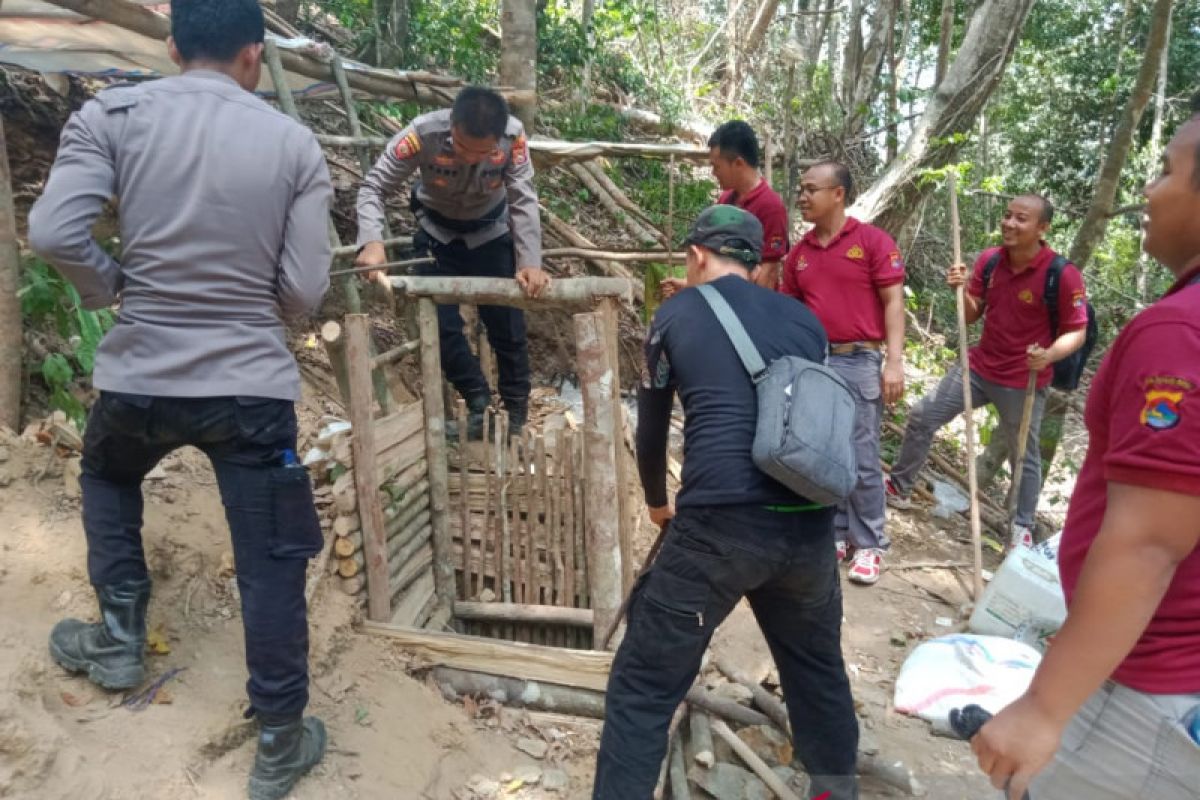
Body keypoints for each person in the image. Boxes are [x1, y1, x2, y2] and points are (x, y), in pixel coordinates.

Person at [27, 2, 331, 798]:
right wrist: (259, 312)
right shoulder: (292, 143)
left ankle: (122, 636)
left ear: (170, 47)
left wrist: (115, 285)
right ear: (254, 58)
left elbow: (55, 233)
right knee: (270, 561)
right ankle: (279, 740)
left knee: (107, 476)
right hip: (249, 389)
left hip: (141, 375)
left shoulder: (113, 114)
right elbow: (304, 288)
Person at [969, 102, 1200, 800]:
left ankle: (1017, 518)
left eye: (1167, 172)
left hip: (1148, 681)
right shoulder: (989, 262)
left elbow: (1148, 542)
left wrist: (1044, 709)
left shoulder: (1178, 333)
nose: (1150, 192)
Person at [593, 205, 859, 800]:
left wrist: (659, 502)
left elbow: (652, 427)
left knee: (642, 688)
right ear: (758, 261)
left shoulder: (674, 312)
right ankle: (835, 794)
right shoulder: (805, 322)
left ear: (695, 257)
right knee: (818, 676)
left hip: (719, 525)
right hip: (807, 529)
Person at [887, 195, 1089, 549]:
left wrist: (1049, 355)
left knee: (1024, 456)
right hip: (979, 367)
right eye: (1007, 216)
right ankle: (899, 487)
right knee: (922, 416)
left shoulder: (1062, 274)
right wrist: (960, 291)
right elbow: (970, 316)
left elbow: (1077, 330)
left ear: (1042, 228)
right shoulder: (991, 260)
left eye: (1021, 219)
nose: (1009, 223)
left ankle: (1021, 527)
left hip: (1022, 379)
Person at [355, 87, 549, 439]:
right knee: (438, 327)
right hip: (436, 236)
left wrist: (530, 261)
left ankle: (516, 416)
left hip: (491, 233)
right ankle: (477, 401)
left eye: (483, 153)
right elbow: (373, 187)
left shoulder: (513, 138)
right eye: (462, 148)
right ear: (451, 128)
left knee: (507, 327)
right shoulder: (421, 134)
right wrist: (371, 241)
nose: (472, 159)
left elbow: (523, 198)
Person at [779, 162, 905, 585]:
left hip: (860, 359)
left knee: (862, 455)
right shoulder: (800, 254)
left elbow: (893, 303)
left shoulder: (872, 242)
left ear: (839, 194)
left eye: (811, 189)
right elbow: (791, 313)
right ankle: (835, 531)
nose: (802, 197)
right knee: (823, 450)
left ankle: (869, 543)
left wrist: (894, 360)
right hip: (816, 361)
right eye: (800, 189)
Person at [661, 120, 789, 296]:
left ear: (738, 164)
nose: (714, 173)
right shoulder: (725, 199)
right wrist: (689, 285)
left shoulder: (771, 207)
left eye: (716, 166)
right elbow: (716, 262)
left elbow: (768, 274)